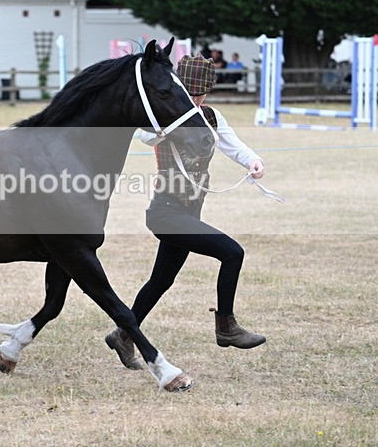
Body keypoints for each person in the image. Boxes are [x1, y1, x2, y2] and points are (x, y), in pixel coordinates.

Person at [105, 54, 267, 370]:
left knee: (161, 281)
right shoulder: (165, 117)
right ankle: (226, 327)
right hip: (166, 214)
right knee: (233, 253)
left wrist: (253, 162)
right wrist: (169, 123)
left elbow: (234, 145)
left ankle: (123, 335)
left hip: (189, 213)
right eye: (188, 92)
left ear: (206, 92)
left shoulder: (212, 116)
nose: (194, 99)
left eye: (198, 93)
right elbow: (145, 135)